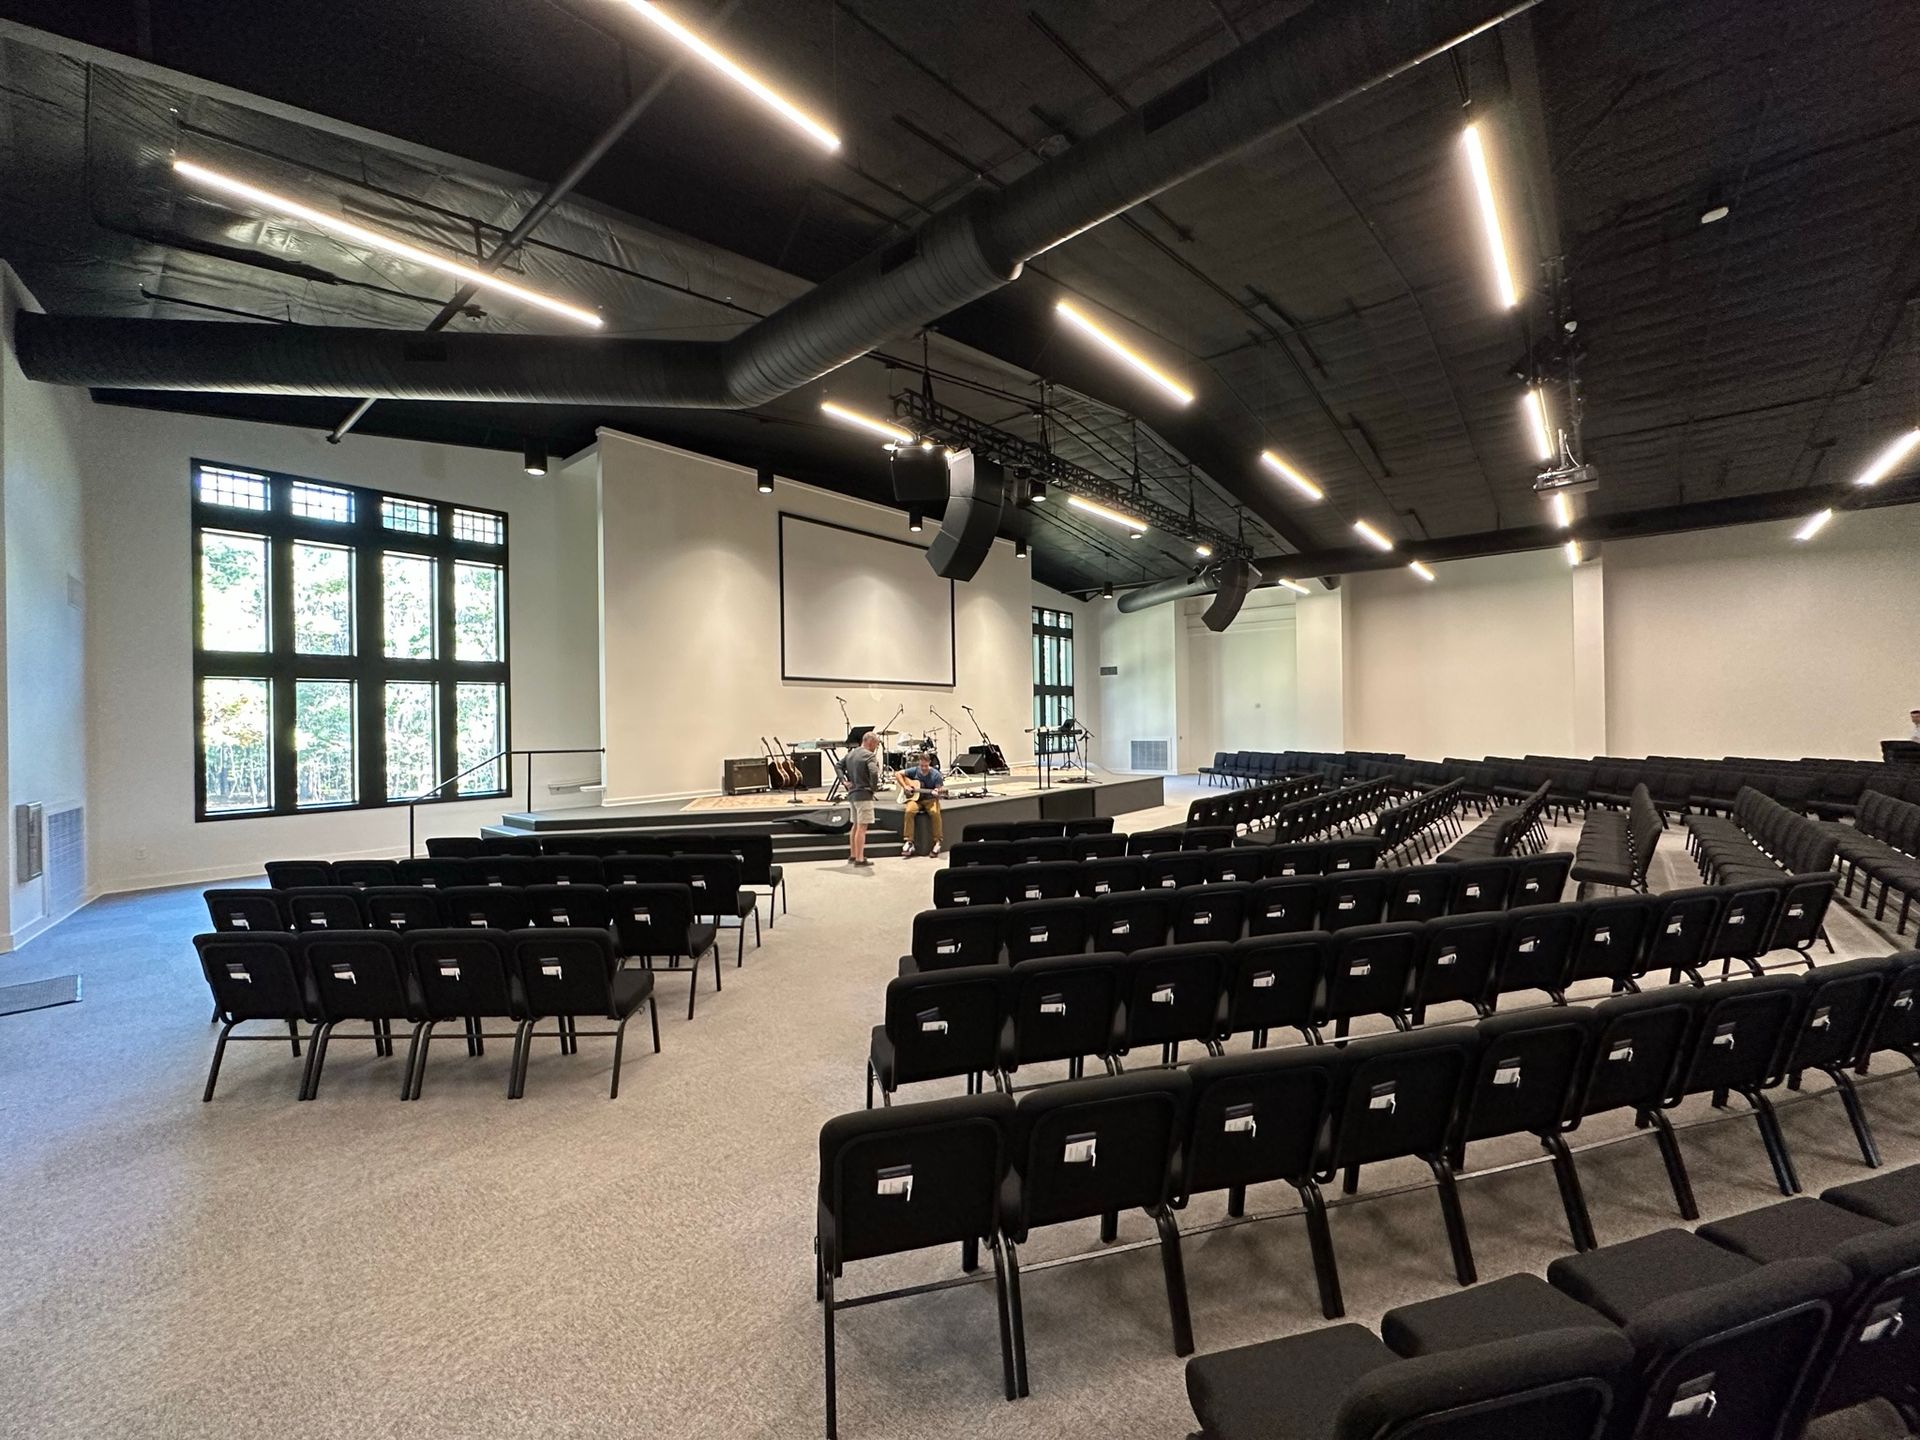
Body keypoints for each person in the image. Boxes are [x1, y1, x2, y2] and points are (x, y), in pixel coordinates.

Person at [897, 750, 947, 858]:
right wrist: (905, 786)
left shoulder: (936, 775)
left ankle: (937, 842)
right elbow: (898, 774)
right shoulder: (915, 770)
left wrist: (937, 793)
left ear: (929, 763)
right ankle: (909, 841)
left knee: (935, 813)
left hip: (930, 799)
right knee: (909, 811)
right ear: (919, 763)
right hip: (916, 799)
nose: (923, 768)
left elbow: (940, 790)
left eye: (925, 765)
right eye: (921, 765)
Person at [844, 731, 883, 867]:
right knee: (862, 827)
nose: (876, 748)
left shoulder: (851, 754)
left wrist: (844, 781)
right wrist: (873, 788)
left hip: (853, 795)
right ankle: (860, 859)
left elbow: (838, 765)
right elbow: (873, 771)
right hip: (864, 795)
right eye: (876, 745)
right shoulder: (869, 756)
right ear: (870, 742)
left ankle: (853, 855)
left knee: (855, 825)